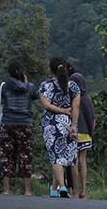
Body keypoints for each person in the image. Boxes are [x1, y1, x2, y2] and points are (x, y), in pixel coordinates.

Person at [38, 56, 80, 198]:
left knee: (56, 156)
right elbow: (76, 106)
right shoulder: (73, 86)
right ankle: (54, 189)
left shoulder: (45, 85)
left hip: (51, 124)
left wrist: (61, 111)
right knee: (65, 156)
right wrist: (73, 126)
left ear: (51, 70)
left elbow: (46, 105)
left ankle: (62, 187)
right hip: (69, 123)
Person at [0, 59, 39, 196]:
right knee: (26, 155)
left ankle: (6, 190)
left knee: (7, 155)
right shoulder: (30, 87)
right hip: (25, 124)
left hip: (8, 123)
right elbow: (35, 96)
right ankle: (27, 190)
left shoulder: (5, 86)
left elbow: (3, 99)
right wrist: (26, 82)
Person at [69, 69, 95, 199]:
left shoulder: (71, 99)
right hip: (85, 134)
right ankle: (84, 191)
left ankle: (75, 191)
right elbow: (91, 118)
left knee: (74, 161)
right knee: (83, 161)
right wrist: (91, 133)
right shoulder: (88, 99)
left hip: (74, 133)